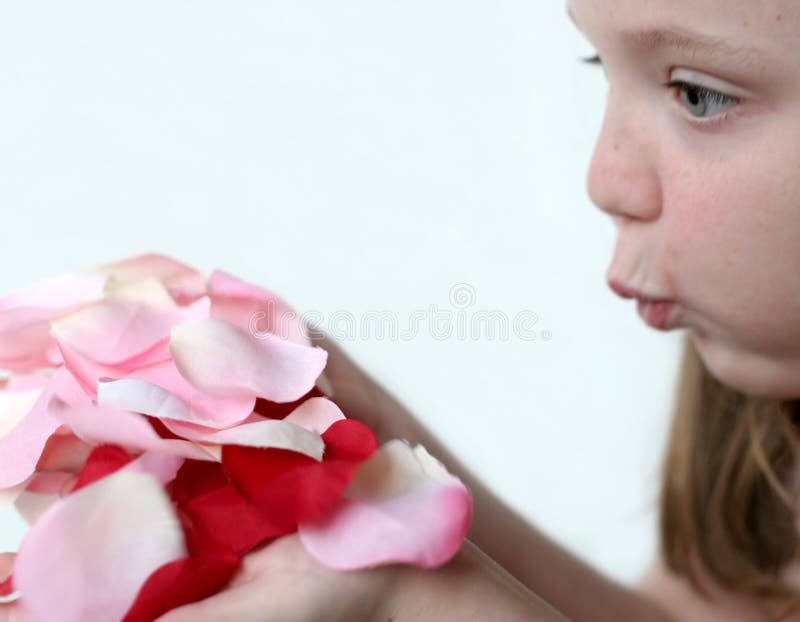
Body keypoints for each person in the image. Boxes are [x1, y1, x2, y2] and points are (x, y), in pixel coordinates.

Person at [4, 0, 800, 619]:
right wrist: (383, 442)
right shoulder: (764, 424)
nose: (604, 178)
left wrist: (423, 598)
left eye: (698, 94)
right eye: (603, 65)